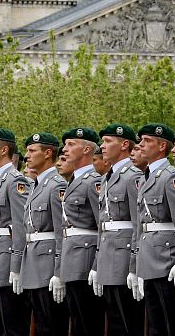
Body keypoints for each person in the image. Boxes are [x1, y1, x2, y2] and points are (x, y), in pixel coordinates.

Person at [136, 123, 175, 336]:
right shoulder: (144, 178)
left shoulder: (170, 177)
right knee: (156, 324)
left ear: (161, 146)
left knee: (172, 323)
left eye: (147, 141)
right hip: (149, 258)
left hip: (167, 259)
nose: (141, 145)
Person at [0, 128, 31, 336]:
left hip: (7, 260)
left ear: (4, 150)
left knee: (12, 326)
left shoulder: (14, 181)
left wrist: (17, 265)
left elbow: (21, 225)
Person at [96, 124, 144, 336]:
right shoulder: (108, 177)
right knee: (114, 319)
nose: (102, 146)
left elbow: (138, 223)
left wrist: (134, 264)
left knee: (127, 320)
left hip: (123, 256)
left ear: (125, 145)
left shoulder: (133, 176)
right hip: (108, 255)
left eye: (107, 142)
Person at [20, 132, 69, 336]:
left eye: (32, 151)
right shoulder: (37, 185)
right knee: (40, 324)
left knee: (50, 324)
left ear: (48, 153)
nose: (27, 156)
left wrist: (58, 272)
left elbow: (61, 232)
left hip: (47, 265)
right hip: (33, 263)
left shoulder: (56, 185)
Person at [59, 127, 104, 336]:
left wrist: (97, 264)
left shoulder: (93, 181)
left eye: (71, 145)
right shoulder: (73, 181)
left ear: (86, 150)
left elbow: (102, 225)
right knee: (76, 320)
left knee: (88, 322)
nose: (65, 150)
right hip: (71, 258)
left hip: (85, 259)